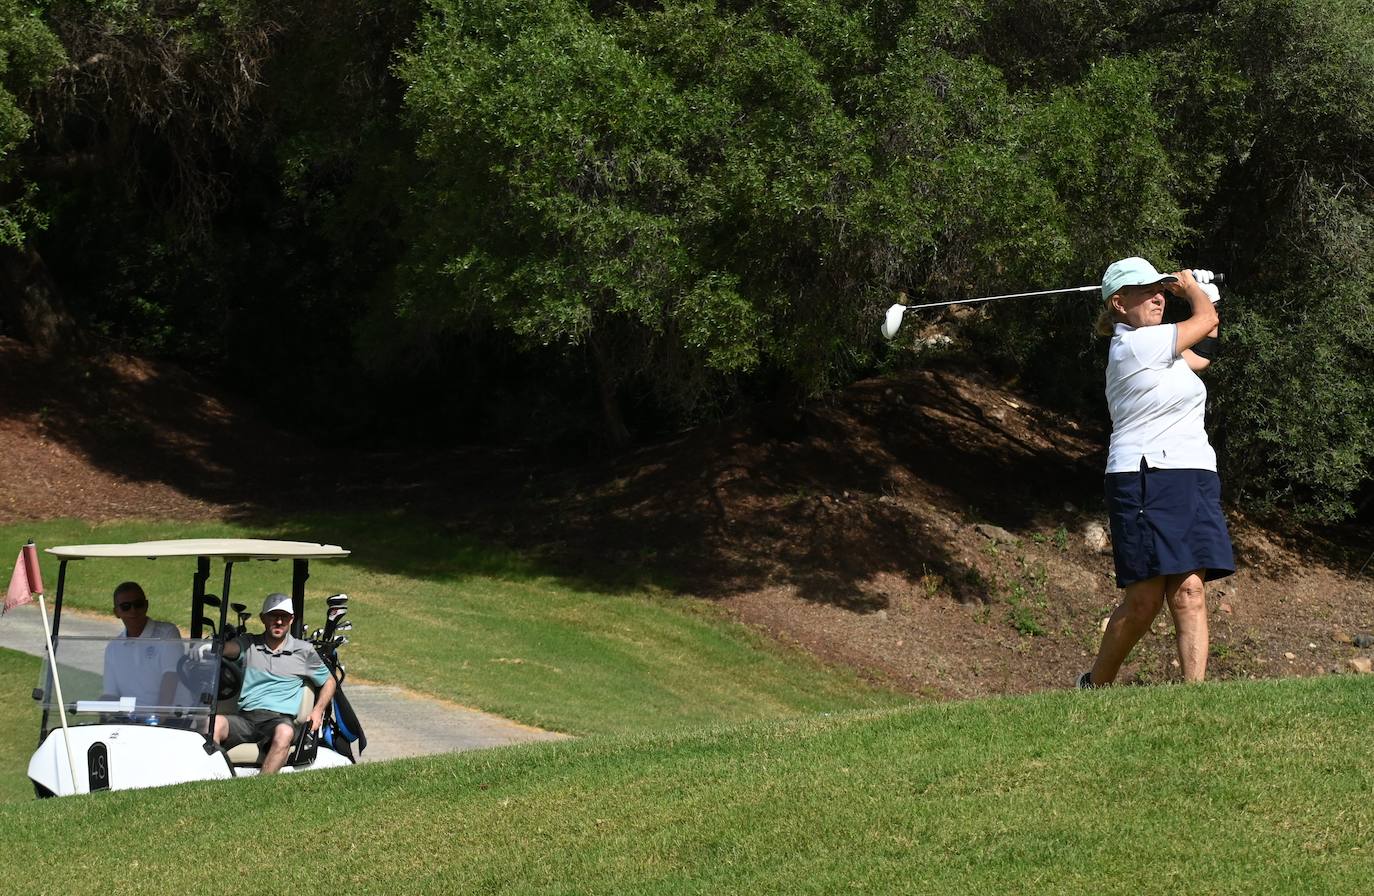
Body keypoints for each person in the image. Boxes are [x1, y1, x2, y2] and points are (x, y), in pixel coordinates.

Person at [1079, 257, 1234, 688]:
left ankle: (1195, 695)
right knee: (1145, 599)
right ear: (1118, 303)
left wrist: (1209, 295)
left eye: (1162, 289)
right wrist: (1195, 291)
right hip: (1145, 474)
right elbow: (1205, 320)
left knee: (1190, 591)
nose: (1160, 296)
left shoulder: (1164, 348)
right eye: (1148, 290)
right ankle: (1096, 685)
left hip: (1192, 471)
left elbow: (1202, 353)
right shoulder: (1134, 345)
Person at [213, 592, 336, 774]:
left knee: (285, 733)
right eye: (273, 616)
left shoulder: (303, 651)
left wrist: (317, 710)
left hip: (279, 720)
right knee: (213, 724)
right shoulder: (248, 644)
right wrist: (214, 648)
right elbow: (230, 649)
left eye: (284, 617)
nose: (279, 622)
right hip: (246, 718)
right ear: (263, 618)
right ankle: (213, 780)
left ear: (291, 619)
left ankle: (261, 789)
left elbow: (329, 681)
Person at [101, 581, 183, 709]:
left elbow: (171, 678)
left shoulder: (167, 633)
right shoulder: (113, 648)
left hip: (167, 718)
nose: (133, 610)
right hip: (129, 720)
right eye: (126, 606)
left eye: (138, 604)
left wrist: (158, 718)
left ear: (146, 605)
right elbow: (110, 694)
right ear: (116, 612)